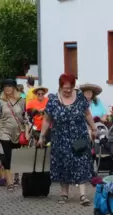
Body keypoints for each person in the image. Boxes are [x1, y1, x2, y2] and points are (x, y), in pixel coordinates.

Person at [37, 73, 97, 206]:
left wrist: (93, 128)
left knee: (81, 162)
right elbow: (47, 120)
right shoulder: (53, 100)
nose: (68, 90)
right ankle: (64, 194)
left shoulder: (80, 97)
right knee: (63, 164)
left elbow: (87, 114)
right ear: (60, 86)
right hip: (60, 138)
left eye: (70, 88)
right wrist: (42, 136)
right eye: (65, 88)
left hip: (79, 136)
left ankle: (83, 195)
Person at [0, 79, 29, 191]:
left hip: (18, 131)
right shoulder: (1, 101)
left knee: (15, 156)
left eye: (9, 86)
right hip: (4, 131)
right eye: (5, 87)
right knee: (8, 155)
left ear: (14, 88)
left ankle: (16, 176)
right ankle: (9, 182)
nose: (7, 89)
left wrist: (27, 131)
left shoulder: (21, 101)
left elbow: (25, 117)